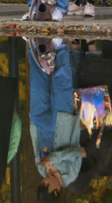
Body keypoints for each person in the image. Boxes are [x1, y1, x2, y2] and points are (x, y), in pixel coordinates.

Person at [29, 39, 81, 200]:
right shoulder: (70, 174)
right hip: (62, 123)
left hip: (40, 124)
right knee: (62, 84)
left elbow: (36, 148)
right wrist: (55, 158)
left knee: (37, 86)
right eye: (47, 186)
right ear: (56, 190)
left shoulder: (41, 171)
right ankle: (61, 46)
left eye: (42, 185)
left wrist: (33, 126)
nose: (44, 181)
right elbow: (78, 154)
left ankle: (35, 47)